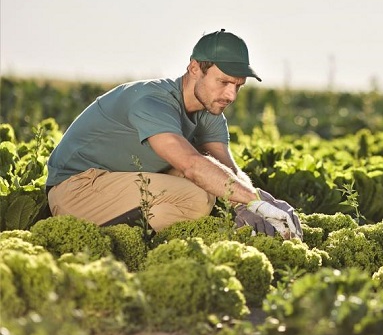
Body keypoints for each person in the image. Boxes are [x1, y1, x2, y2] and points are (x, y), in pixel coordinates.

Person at [46, 29, 302, 240]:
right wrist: (252, 201)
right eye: (223, 82)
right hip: (76, 190)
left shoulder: (210, 113)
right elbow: (191, 165)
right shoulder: (152, 102)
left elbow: (228, 170)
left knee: (214, 185)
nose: (231, 96)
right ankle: (100, 239)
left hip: (121, 184)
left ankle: (139, 238)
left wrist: (259, 202)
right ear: (194, 68)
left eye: (238, 86)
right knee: (198, 196)